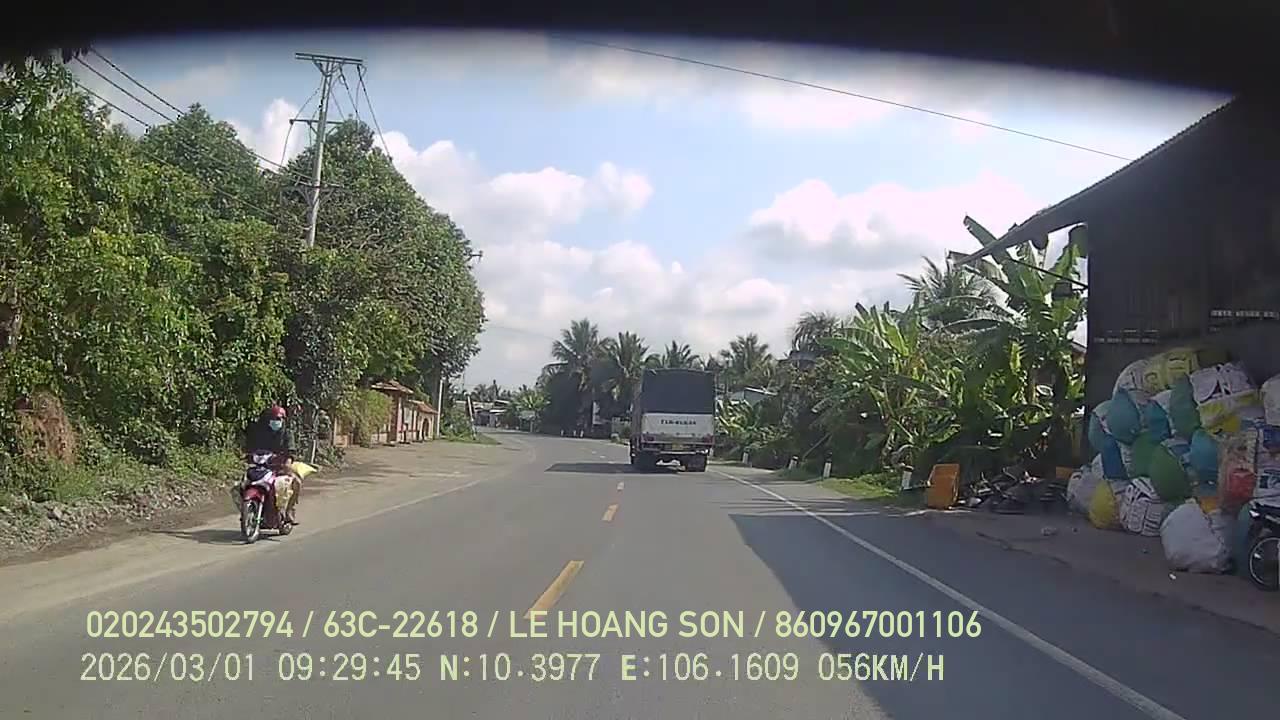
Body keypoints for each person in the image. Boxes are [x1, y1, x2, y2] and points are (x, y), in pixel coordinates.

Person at [242, 404, 301, 525]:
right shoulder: (261, 433)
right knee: (241, 485)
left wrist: (288, 461)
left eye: (279, 419)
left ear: (283, 420)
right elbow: (252, 447)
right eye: (273, 419)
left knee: (296, 483)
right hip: (263, 466)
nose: (276, 421)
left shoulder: (287, 434)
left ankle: (288, 511)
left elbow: (291, 450)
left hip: (280, 466)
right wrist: (248, 455)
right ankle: (248, 510)